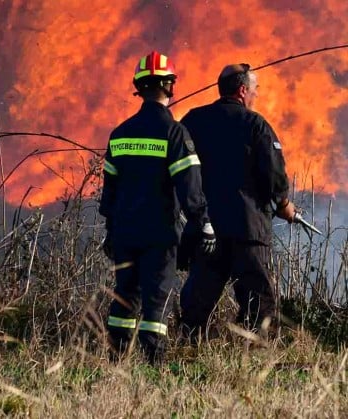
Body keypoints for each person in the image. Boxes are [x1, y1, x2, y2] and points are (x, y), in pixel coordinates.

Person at [99, 51, 216, 363]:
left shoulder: (120, 134)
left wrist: (111, 231)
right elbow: (189, 186)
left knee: (124, 296)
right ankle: (153, 365)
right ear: (170, 87)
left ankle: (116, 362)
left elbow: (108, 192)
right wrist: (203, 222)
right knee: (156, 300)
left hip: (124, 233)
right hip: (159, 233)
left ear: (139, 87)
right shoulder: (174, 133)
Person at [179, 63, 296, 338]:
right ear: (243, 90)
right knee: (258, 297)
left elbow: (179, 169)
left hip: (207, 227)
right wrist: (283, 205)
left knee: (199, 295)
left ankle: (189, 343)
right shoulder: (255, 124)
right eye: (255, 89)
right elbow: (273, 174)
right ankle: (256, 349)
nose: (257, 94)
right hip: (248, 229)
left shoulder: (194, 120)